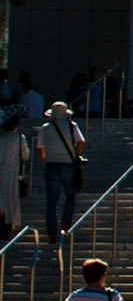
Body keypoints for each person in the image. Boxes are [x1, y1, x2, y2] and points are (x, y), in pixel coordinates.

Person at [37, 100, 85, 243]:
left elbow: (39, 147)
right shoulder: (72, 126)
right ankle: (65, 225)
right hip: (68, 165)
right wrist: (76, 154)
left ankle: (52, 233)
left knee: (51, 201)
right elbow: (81, 141)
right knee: (70, 196)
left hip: (51, 165)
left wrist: (44, 158)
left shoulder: (45, 128)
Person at [0, 112, 28, 242]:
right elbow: (25, 155)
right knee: (11, 202)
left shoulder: (1, 137)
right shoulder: (19, 137)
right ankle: (8, 226)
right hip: (12, 173)